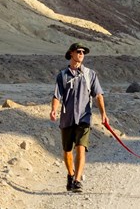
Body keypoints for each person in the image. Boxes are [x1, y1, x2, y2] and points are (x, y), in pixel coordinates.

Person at [50, 42, 107, 193]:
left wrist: (103, 114)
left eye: (83, 52)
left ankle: (77, 180)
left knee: (81, 148)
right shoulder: (62, 76)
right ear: (71, 54)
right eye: (79, 51)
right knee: (67, 150)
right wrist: (53, 110)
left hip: (84, 118)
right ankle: (70, 174)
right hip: (67, 118)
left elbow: (98, 95)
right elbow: (57, 95)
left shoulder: (90, 74)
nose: (82, 54)